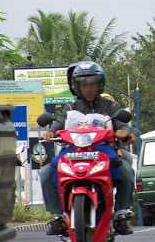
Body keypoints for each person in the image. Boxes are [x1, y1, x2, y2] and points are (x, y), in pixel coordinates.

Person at [40, 61, 136, 235]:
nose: (89, 88)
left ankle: (121, 213)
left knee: (127, 171)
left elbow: (124, 125)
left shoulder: (110, 106)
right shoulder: (70, 108)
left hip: (103, 152)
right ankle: (58, 216)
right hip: (72, 152)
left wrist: (124, 132)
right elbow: (57, 125)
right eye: (84, 85)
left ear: (100, 84)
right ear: (77, 87)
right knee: (46, 173)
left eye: (92, 84)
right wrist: (49, 132)